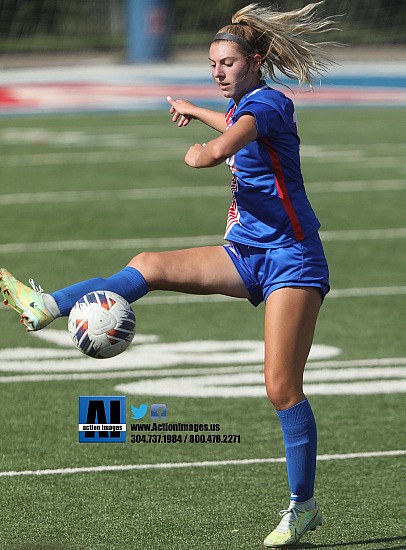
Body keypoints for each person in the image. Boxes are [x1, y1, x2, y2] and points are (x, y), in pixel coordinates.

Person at [0, 2, 338, 547]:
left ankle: (303, 506)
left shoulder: (269, 104)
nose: (218, 72)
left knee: (281, 388)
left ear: (256, 60)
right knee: (148, 266)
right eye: (211, 64)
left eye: (227, 63)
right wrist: (195, 108)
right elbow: (229, 121)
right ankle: (47, 306)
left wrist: (200, 152)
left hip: (292, 260)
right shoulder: (245, 104)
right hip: (245, 251)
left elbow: (225, 144)